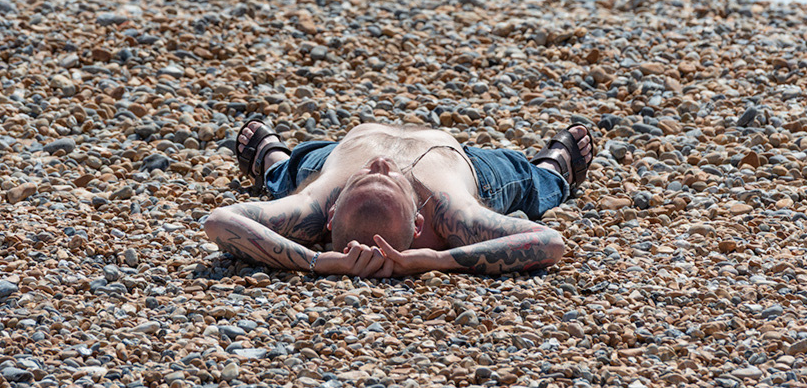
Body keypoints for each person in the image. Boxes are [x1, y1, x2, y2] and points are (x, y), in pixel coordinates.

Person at [204, 117, 594, 278]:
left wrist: (318, 261)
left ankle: (272, 161)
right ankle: (554, 171)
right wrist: (438, 259)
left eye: (365, 177)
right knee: (521, 175)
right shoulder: (451, 214)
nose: (380, 163)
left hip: (336, 153)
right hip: (459, 163)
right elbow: (549, 242)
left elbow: (219, 221)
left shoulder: (315, 205)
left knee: (298, 170)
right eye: (387, 178)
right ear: (420, 222)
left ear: (332, 210)